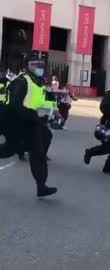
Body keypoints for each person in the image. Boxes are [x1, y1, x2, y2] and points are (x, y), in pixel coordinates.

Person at [4, 52, 57, 197]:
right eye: (37, 65)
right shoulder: (22, 81)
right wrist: (34, 114)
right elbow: (14, 106)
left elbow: (42, 101)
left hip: (35, 122)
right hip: (23, 122)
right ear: (29, 65)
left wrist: (51, 113)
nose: (40, 67)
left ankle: (41, 185)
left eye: (42, 65)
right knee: (12, 150)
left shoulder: (39, 81)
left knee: (46, 138)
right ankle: (41, 186)